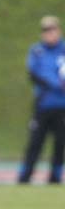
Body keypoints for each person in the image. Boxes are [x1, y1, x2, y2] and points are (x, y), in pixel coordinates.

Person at [18, 15, 65, 184]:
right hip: (43, 104)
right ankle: (25, 175)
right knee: (35, 141)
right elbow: (34, 74)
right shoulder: (37, 51)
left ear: (58, 30)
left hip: (62, 105)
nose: (49, 33)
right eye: (46, 30)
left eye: (52, 30)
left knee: (60, 142)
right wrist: (57, 83)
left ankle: (55, 176)